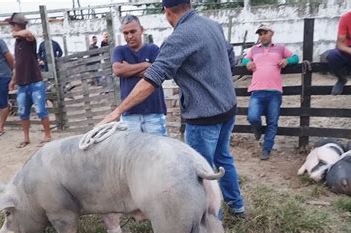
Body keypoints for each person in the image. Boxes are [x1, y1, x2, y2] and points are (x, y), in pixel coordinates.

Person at [100, 0, 245, 217]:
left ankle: (212, 220)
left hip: (203, 116)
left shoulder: (178, 38)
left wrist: (117, 111)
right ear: (189, 4)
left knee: (201, 171)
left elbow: (152, 78)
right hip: (228, 108)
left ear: (167, 13)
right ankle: (237, 205)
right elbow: (230, 57)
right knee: (223, 157)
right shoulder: (213, 25)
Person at [242, 24, 299, 160]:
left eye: (265, 33)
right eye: (260, 34)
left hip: (274, 91)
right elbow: (245, 58)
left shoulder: (280, 48)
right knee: (252, 117)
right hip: (257, 90)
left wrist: (287, 60)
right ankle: (258, 128)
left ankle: (266, 149)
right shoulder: (254, 50)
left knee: (272, 122)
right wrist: (247, 63)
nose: (262, 36)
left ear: (271, 33)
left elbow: (296, 58)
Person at [112, 15, 167, 136]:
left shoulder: (153, 49)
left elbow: (159, 72)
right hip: (130, 113)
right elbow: (117, 70)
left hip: (154, 112)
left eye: (133, 31)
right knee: (131, 152)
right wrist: (146, 65)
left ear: (141, 29)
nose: (129, 36)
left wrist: (128, 70)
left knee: (157, 151)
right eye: (125, 33)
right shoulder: (119, 51)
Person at [7, 13, 52, 148]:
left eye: (13, 25)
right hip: (22, 83)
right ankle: (26, 138)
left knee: (41, 110)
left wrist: (16, 33)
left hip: (35, 82)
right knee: (23, 112)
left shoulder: (29, 39)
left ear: (17, 25)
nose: (12, 28)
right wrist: (13, 80)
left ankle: (47, 135)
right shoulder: (18, 43)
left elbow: (28, 33)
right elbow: (17, 64)